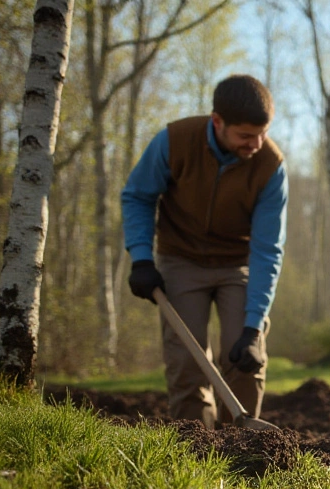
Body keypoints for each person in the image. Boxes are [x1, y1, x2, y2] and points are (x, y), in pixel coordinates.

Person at [122, 74, 288, 429]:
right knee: (186, 362)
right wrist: (141, 257)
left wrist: (253, 326)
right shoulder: (174, 141)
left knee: (243, 356)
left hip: (238, 263)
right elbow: (138, 195)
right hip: (180, 260)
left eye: (262, 133)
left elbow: (267, 249)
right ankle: (196, 447)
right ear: (218, 122)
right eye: (245, 135)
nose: (256, 143)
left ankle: (242, 449)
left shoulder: (270, 166)